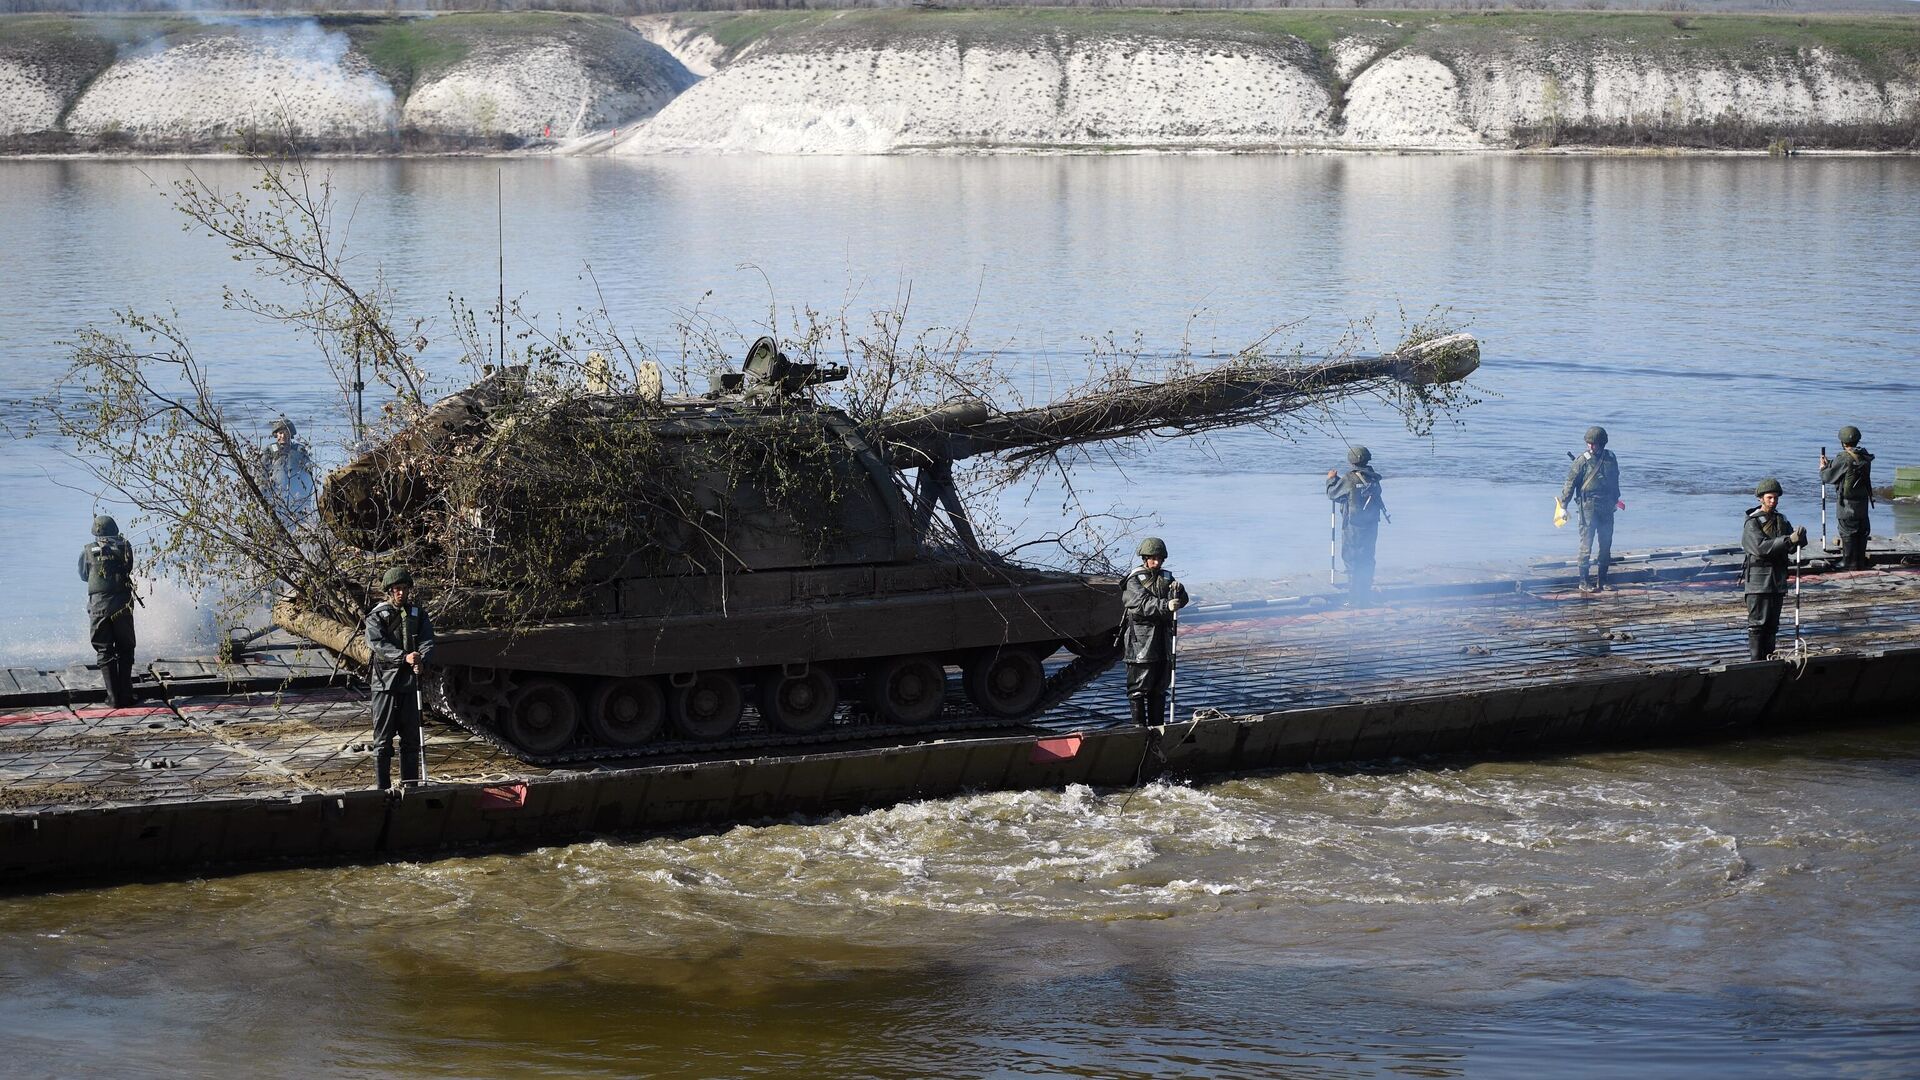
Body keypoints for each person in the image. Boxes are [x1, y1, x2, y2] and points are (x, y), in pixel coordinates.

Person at [365, 566, 436, 791]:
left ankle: (411, 785)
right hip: (384, 682)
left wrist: (421, 659)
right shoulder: (377, 616)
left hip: (408, 684)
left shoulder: (417, 614)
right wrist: (404, 657)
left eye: (404, 589)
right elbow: (377, 644)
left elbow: (427, 639)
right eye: (397, 589)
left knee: (411, 740)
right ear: (389, 591)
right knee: (383, 740)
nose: (401, 593)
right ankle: (382, 788)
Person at [1122, 537, 1188, 735]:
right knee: (1138, 687)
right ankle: (1139, 729)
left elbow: (1181, 600)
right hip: (1141, 641)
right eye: (1152, 558)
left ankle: (1158, 728)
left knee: (1159, 688)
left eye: (1159, 559)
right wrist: (1165, 605)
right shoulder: (1134, 580)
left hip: (1163, 640)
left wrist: (1179, 592)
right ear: (1145, 558)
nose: (1156, 562)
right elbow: (1141, 604)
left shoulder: (1167, 578)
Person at [1742, 478, 1808, 661]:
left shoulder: (1781, 520)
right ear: (1760, 498)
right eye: (1770, 497)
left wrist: (1800, 539)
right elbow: (1760, 547)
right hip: (1758, 581)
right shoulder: (1752, 522)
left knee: (1772, 624)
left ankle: (1769, 658)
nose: (1774, 501)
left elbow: (1792, 547)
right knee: (1758, 624)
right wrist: (1789, 540)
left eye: (1776, 498)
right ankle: (1756, 661)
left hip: (1777, 580)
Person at [78, 515, 139, 707]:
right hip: (122, 604)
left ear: (95, 533)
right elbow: (129, 568)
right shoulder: (125, 547)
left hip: (99, 606)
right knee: (126, 649)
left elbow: (83, 575)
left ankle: (112, 698)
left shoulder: (88, 550)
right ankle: (127, 696)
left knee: (104, 649)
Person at [1559, 425, 1623, 592]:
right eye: (1589, 443)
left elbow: (1615, 480)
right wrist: (1563, 506)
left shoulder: (1611, 458)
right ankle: (1584, 581)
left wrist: (1616, 499)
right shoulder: (1582, 460)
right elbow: (1570, 483)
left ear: (1602, 443)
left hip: (1607, 507)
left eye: (1594, 443)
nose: (1590, 446)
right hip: (1588, 507)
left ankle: (1603, 580)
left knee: (1606, 544)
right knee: (1586, 545)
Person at [1326, 445, 1387, 606]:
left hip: (1353, 527)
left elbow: (1333, 494)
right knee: (1367, 559)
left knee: (1352, 560)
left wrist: (1331, 479)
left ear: (1351, 461)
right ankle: (1365, 597)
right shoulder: (1374, 478)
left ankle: (1354, 600)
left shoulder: (1349, 478)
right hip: (1372, 525)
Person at [1819, 426, 1875, 571]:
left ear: (1843, 442)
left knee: (1847, 530)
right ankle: (1859, 562)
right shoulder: (1865, 456)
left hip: (1847, 503)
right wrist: (1831, 463)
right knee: (1861, 530)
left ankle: (1848, 562)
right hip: (1862, 502)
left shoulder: (1843, 458)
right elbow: (1848, 466)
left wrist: (1823, 468)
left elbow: (1828, 477)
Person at [264, 417, 317, 524]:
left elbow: (308, 475)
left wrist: (306, 499)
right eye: (280, 433)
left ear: (291, 434)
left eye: (286, 433)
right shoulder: (270, 450)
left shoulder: (299, 450)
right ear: (276, 434)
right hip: (277, 496)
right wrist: (265, 496)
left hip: (297, 496)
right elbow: (262, 474)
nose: (283, 436)